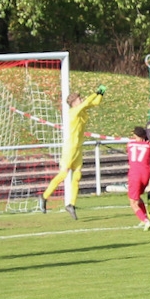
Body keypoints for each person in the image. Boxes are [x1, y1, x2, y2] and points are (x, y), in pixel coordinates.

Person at [38, 85, 106, 220]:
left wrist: (101, 94)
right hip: (70, 148)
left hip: (78, 147)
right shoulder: (73, 112)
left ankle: (71, 204)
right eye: (79, 99)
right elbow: (87, 102)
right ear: (74, 102)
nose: (82, 100)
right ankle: (44, 197)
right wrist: (96, 92)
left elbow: (95, 103)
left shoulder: (81, 109)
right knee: (63, 174)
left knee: (77, 175)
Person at [127, 126, 150, 230]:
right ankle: (144, 218)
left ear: (136, 135)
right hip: (146, 173)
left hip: (135, 174)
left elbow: (131, 146)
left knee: (132, 201)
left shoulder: (130, 144)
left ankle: (146, 221)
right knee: (137, 197)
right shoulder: (148, 146)